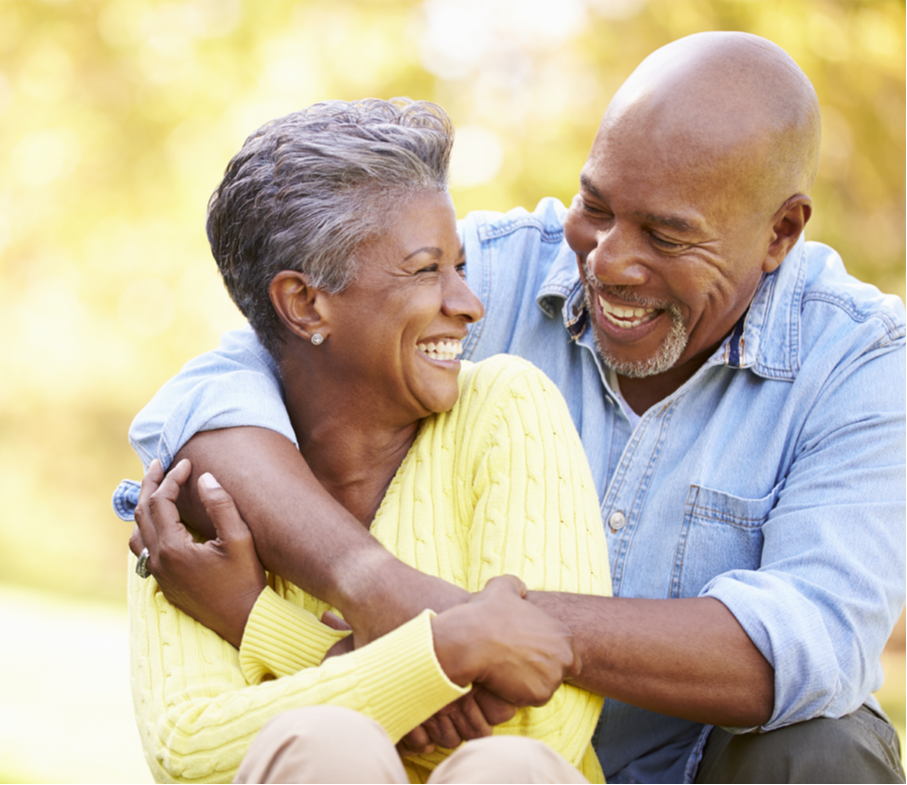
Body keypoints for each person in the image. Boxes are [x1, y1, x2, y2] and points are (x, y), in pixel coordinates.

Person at [122, 32, 906, 784]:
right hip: (464, 758)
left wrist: (468, 633)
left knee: (826, 748)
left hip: (690, 763)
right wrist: (378, 588)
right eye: (594, 205)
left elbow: (804, 642)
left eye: (666, 236)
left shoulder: (862, 361)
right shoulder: (487, 270)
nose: (608, 262)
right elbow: (218, 394)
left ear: (779, 232)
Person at [113, 98, 612, 783]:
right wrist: (445, 652)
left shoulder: (507, 406)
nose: (469, 305)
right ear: (306, 304)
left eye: (461, 267)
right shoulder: (195, 495)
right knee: (323, 746)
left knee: (507, 765)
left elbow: (540, 723)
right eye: (426, 270)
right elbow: (191, 749)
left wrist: (257, 621)